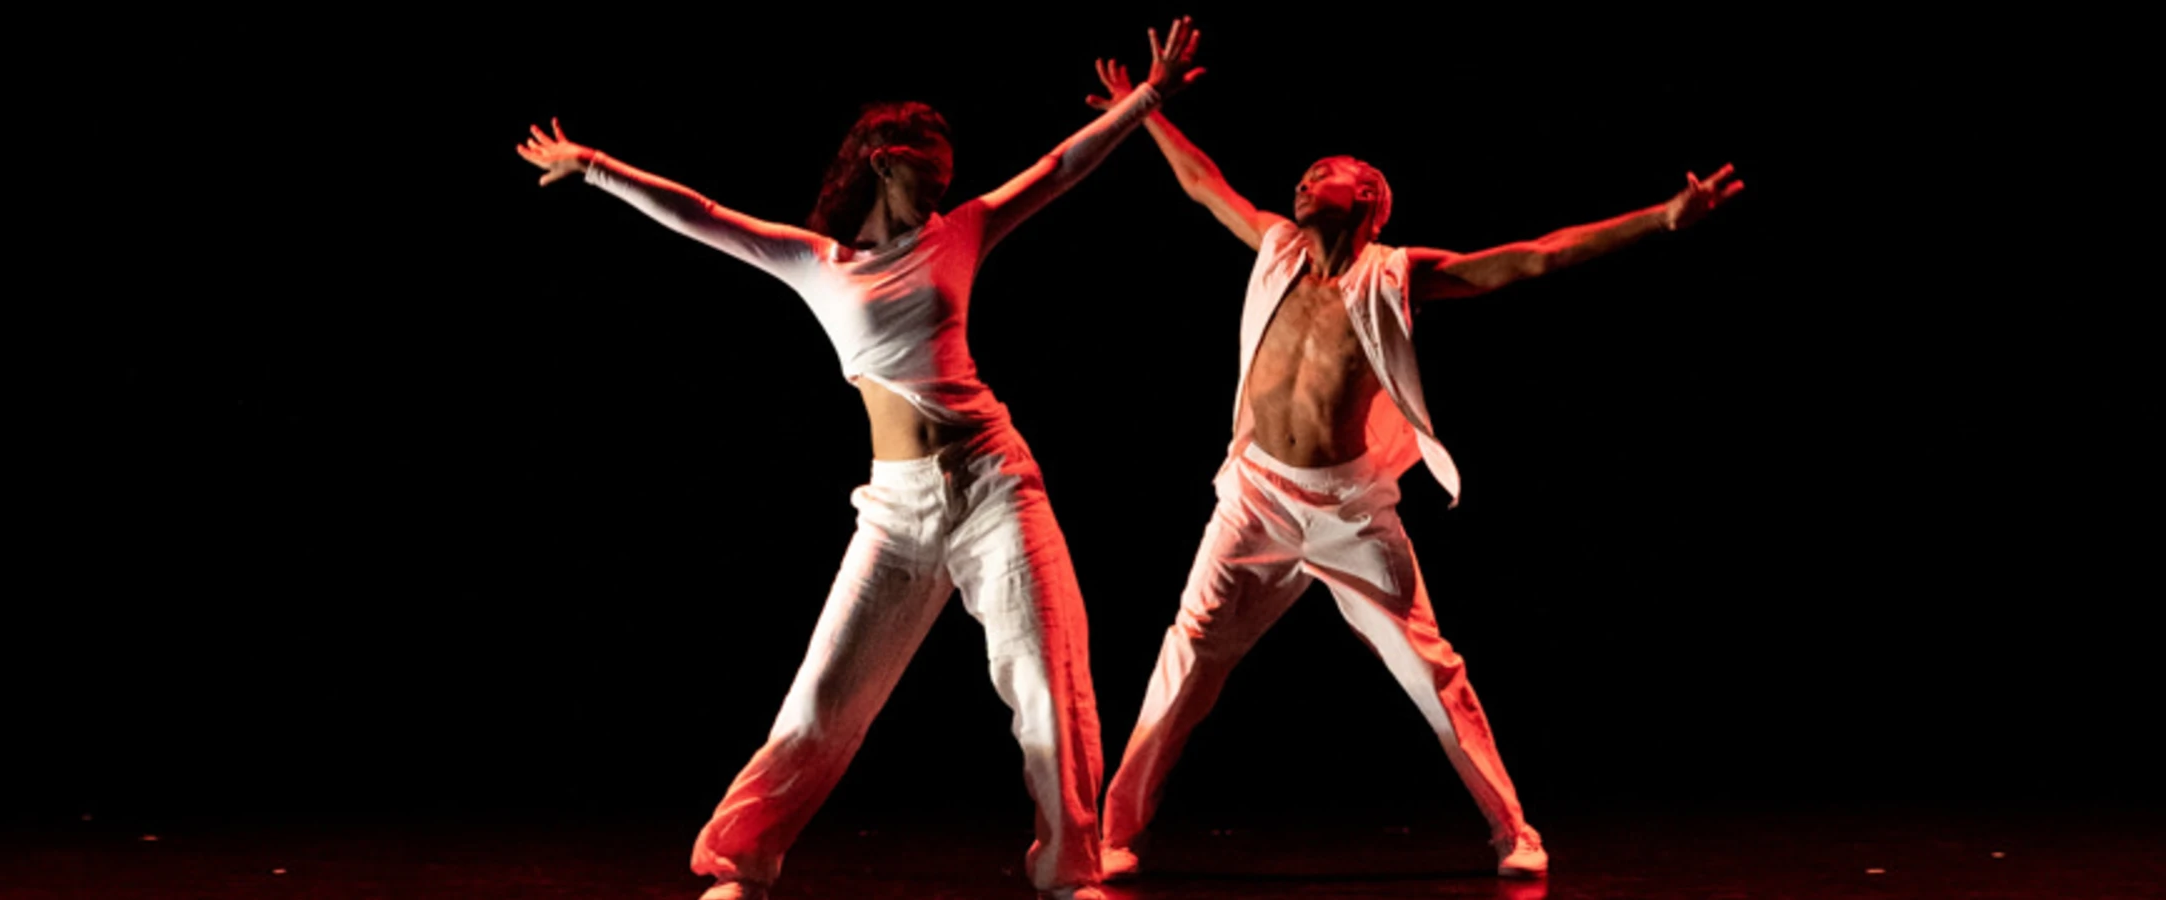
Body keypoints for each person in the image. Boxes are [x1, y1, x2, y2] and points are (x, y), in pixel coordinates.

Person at [511, 20, 1205, 900]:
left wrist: (1146, 99)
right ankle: (739, 862)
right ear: (883, 161)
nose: (944, 191)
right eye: (930, 176)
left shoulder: (960, 232)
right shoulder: (816, 262)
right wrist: (594, 165)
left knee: (1048, 679)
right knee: (826, 693)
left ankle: (1069, 869)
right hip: (897, 507)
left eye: (949, 181)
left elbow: (1057, 168)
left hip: (995, 483)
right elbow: (703, 216)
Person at [1080, 59, 1743, 882]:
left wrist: (1662, 219)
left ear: (1368, 196)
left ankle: (1512, 831)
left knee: (1431, 670)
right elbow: (1201, 183)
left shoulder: (1396, 276)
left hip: (1348, 508)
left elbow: (1533, 257)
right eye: (1303, 174)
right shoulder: (1277, 247)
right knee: (1186, 656)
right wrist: (1144, 108)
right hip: (1253, 497)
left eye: (1325, 172)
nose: (1304, 181)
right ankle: (1115, 833)